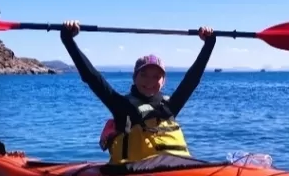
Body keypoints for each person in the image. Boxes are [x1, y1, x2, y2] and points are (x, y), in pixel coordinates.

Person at [59, 19, 216, 163]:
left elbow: (192, 80)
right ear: (134, 77)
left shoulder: (170, 106)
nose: (150, 81)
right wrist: (68, 40)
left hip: (177, 174)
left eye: (156, 76)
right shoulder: (122, 106)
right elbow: (91, 77)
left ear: (164, 81)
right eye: (144, 75)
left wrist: (209, 43)